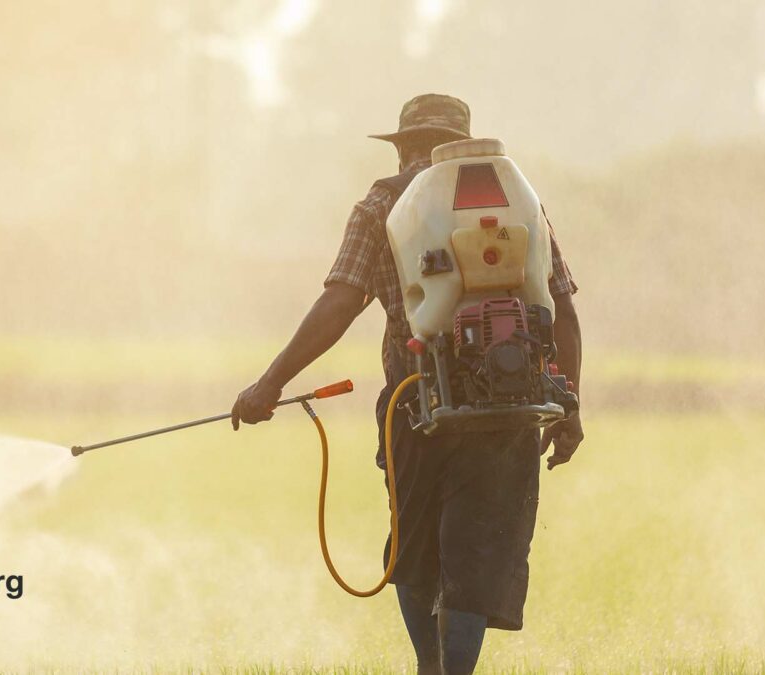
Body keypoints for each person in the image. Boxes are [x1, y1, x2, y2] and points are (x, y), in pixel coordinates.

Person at [229, 93, 584, 675]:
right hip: (511, 407)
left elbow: (341, 300)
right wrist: (569, 406)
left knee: (416, 554)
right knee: (474, 553)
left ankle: (431, 667)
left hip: (417, 404)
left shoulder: (383, 204)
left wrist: (270, 384)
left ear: (409, 148)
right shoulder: (518, 201)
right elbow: (561, 310)